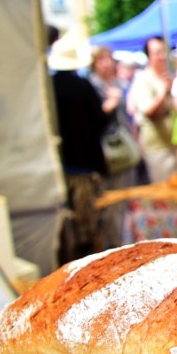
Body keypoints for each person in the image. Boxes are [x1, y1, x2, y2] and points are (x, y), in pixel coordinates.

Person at [49, 32, 110, 263]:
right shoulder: (83, 86)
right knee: (91, 223)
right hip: (86, 165)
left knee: (70, 224)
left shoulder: (49, 87)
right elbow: (99, 120)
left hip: (60, 168)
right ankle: (92, 263)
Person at [88, 45, 138, 249]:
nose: (107, 63)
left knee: (126, 200)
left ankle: (125, 242)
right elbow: (95, 118)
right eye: (101, 59)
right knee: (111, 203)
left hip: (125, 149)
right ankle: (115, 246)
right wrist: (110, 103)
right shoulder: (93, 86)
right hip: (108, 152)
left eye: (109, 58)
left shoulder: (118, 84)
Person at [127, 36, 177, 183]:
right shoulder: (142, 79)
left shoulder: (167, 76)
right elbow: (148, 111)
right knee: (164, 191)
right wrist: (163, 91)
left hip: (174, 141)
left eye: (163, 51)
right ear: (149, 56)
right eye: (157, 52)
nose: (161, 56)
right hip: (157, 147)